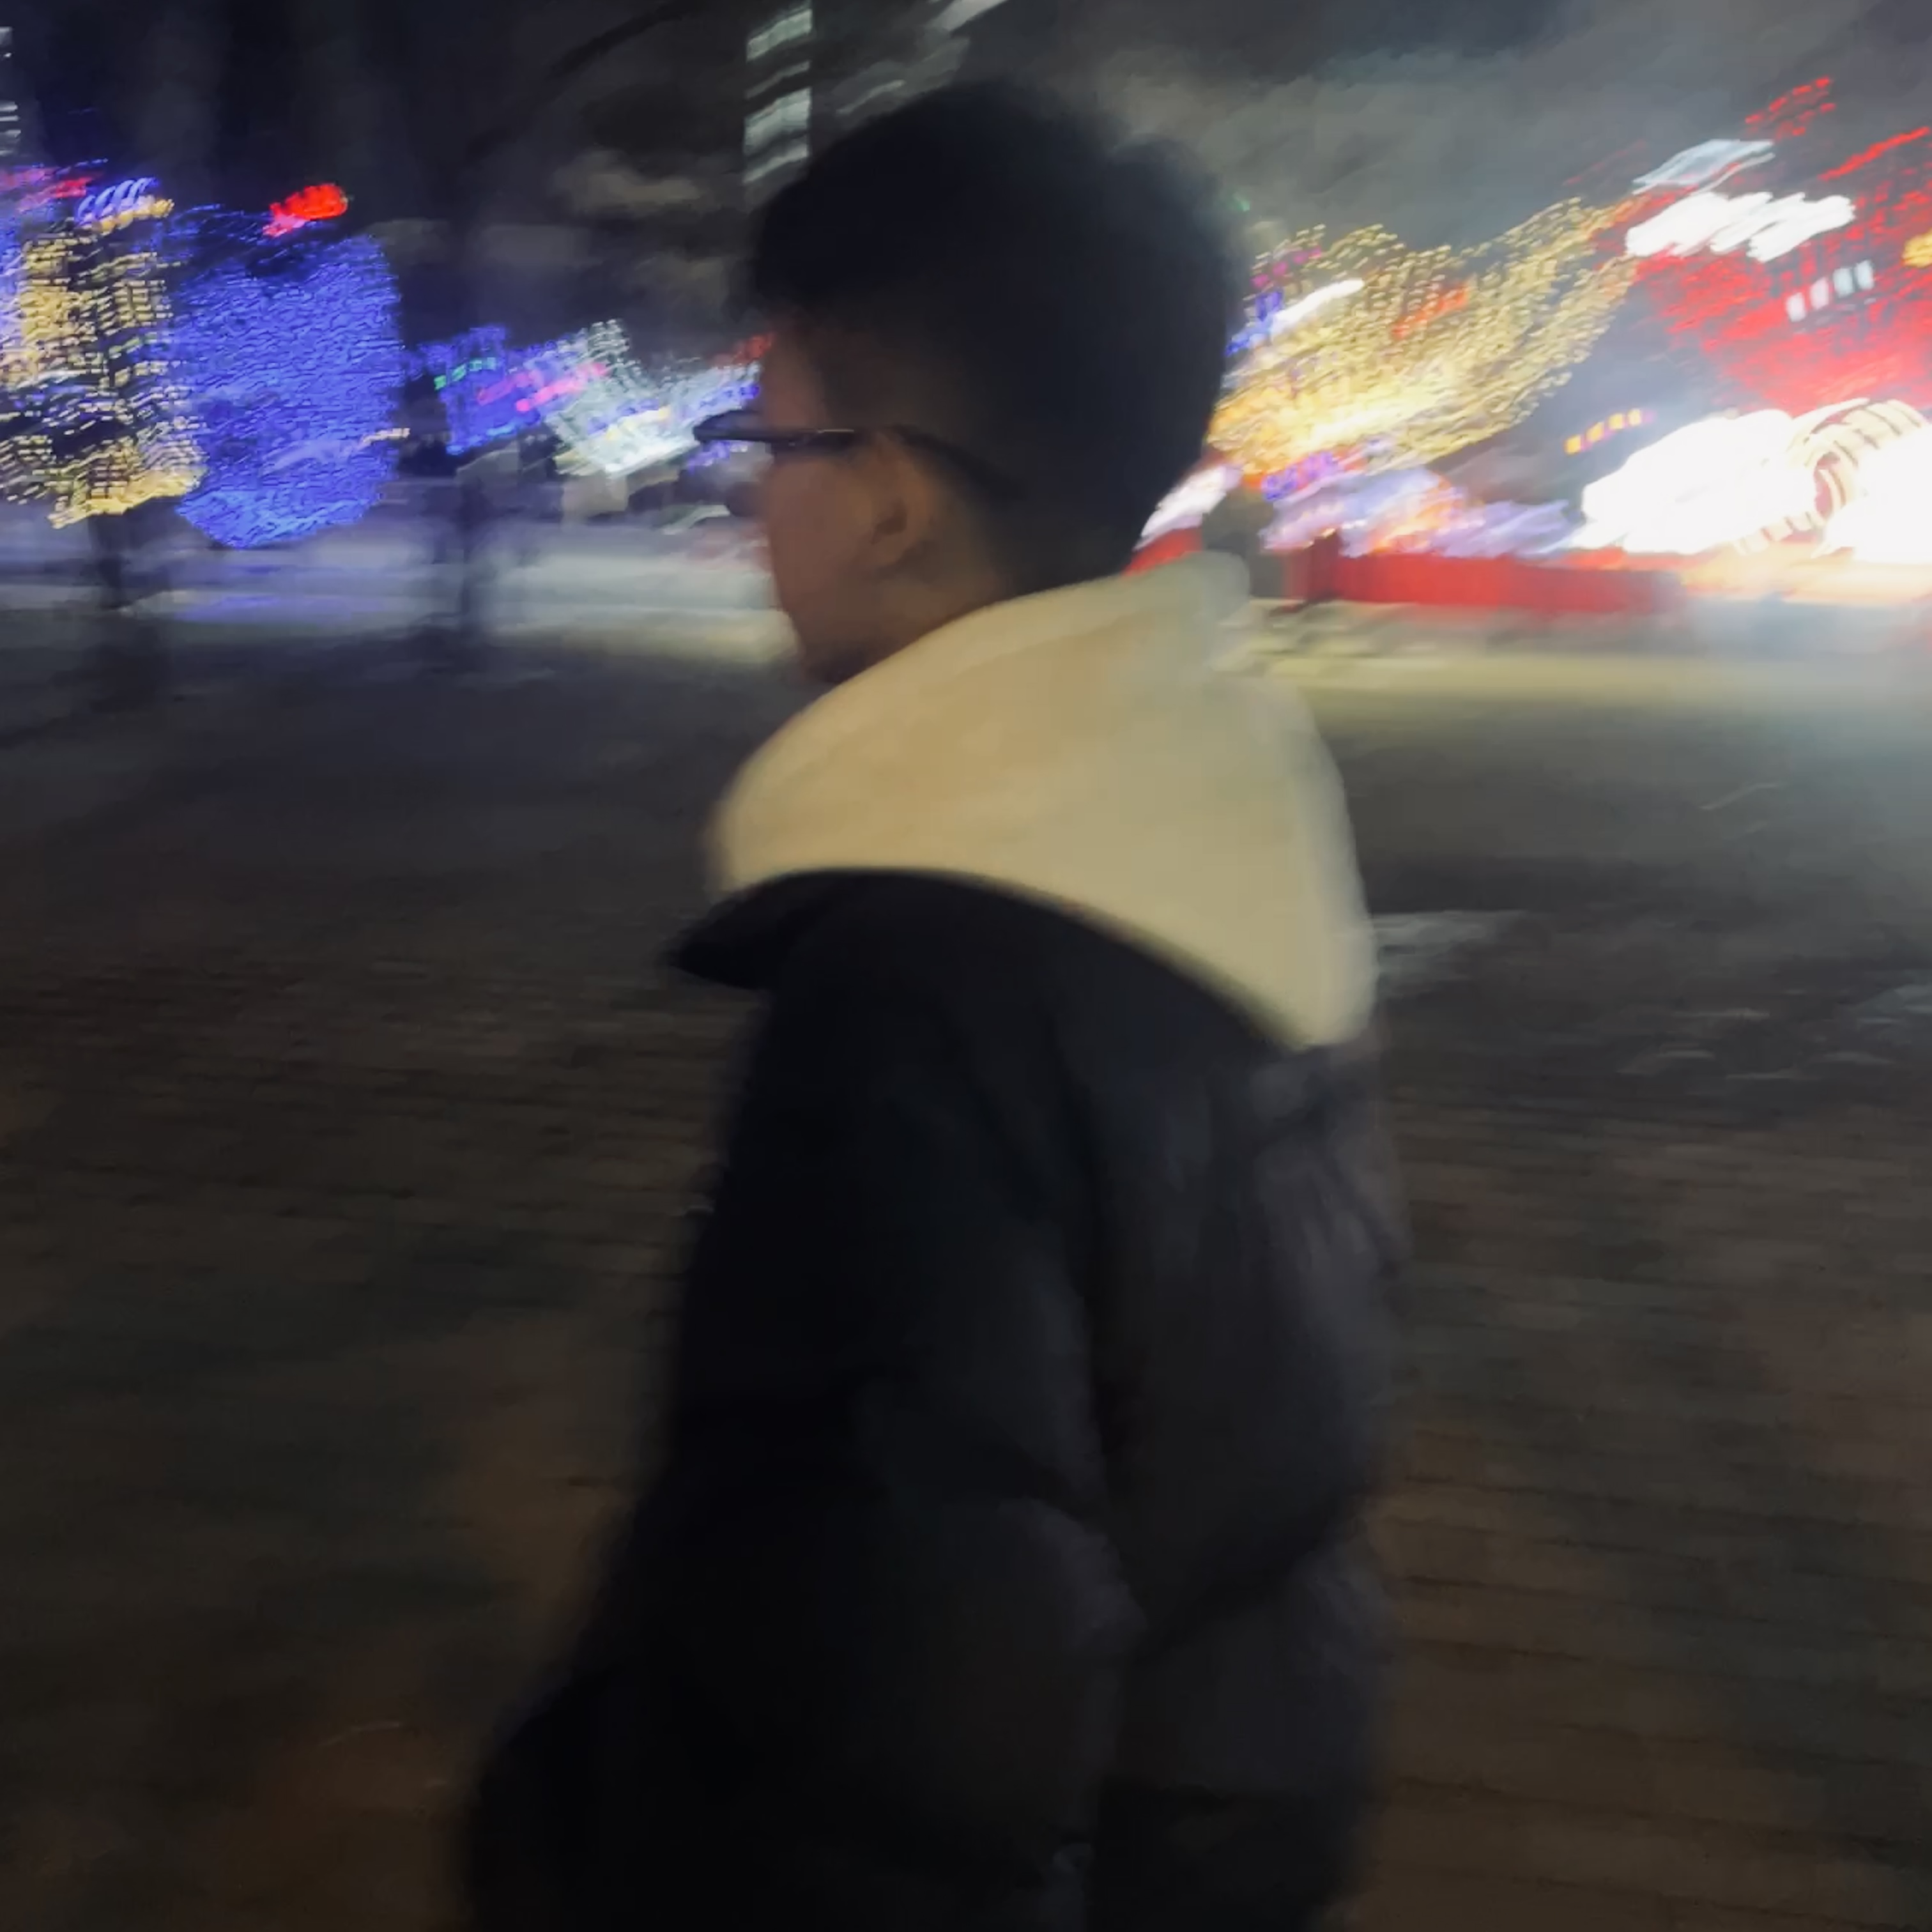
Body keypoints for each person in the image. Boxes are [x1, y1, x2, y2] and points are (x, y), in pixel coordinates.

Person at [467, 82, 1400, 1932]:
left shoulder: (926, 1001)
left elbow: (875, 1727)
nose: (752, 493)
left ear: (891, 495)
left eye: (770, 434)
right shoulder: (1207, 839)